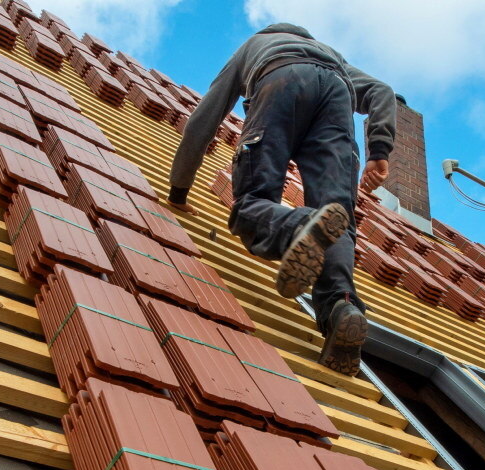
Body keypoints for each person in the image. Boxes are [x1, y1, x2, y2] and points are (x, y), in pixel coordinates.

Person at [165, 23, 396, 376]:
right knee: (338, 220)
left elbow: (204, 120)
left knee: (252, 203)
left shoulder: (255, 46)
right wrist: (379, 149)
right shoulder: (331, 55)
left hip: (282, 79)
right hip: (338, 95)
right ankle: (342, 308)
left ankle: (299, 225)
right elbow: (382, 91)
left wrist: (178, 191)